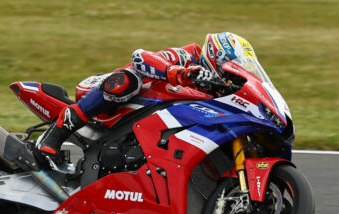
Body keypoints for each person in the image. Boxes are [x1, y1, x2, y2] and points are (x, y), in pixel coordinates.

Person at [36, 32, 256, 160]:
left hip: (145, 124)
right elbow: (140, 56)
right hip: (108, 93)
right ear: (215, 58)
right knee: (128, 79)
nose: (230, 81)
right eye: (229, 74)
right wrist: (177, 73)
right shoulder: (187, 56)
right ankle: (54, 135)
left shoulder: (213, 93)